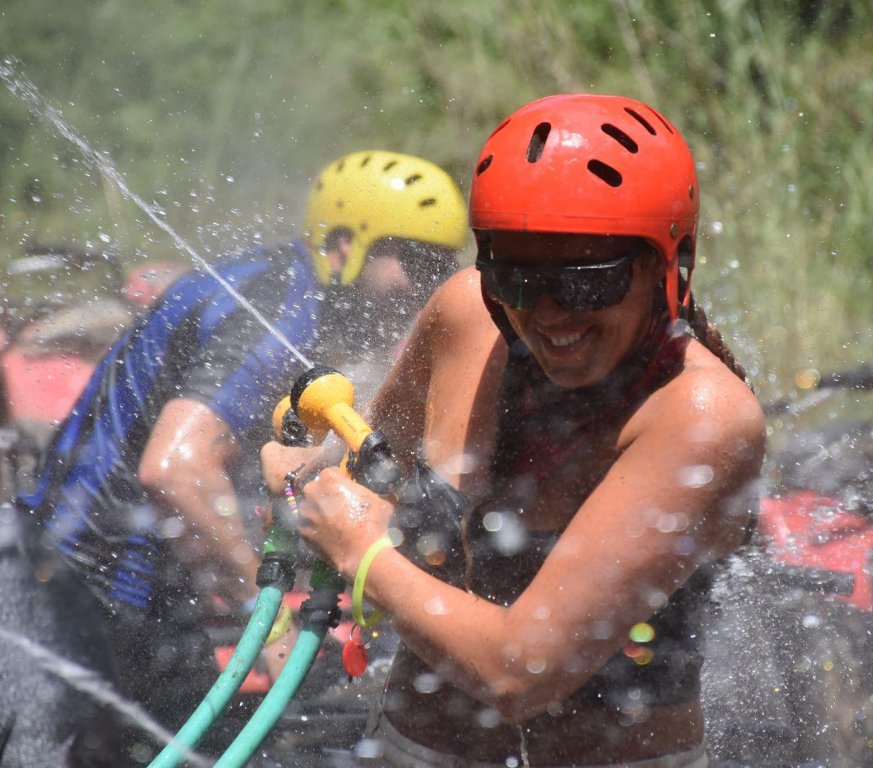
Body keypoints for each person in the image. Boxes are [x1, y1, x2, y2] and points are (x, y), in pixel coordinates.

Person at [263, 95, 765, 767]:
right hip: (410, 750)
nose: (550, 314)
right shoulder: (468, 314)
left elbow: (521, 673)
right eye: (516, 277)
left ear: (667, 266)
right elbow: (365, 473)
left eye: (588, 281)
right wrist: (310, 475)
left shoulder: (699, 417)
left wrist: (362, 551)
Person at [2, 150, 468, 767]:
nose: (427, 285)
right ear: (342, 244)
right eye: (411, 259)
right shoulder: (281, 310)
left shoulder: (294, 295)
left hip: (135, 605)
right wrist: (269, 623)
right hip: (63, 598)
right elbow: (175, 468)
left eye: (441, 264)